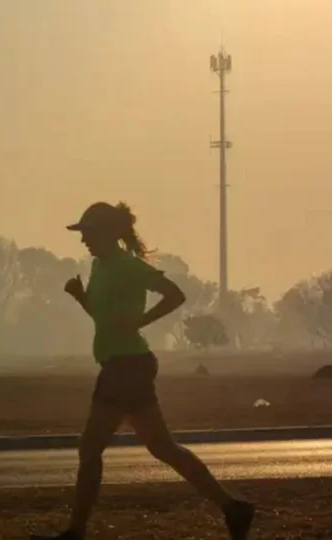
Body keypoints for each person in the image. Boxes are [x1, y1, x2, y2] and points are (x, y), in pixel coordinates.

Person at [30, 201, 255, 540]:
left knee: (91, 449)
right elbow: (103, 317)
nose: (83, 240)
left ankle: (75, 531)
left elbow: (175, 295)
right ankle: (232, 507)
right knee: (163, 448)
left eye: (88, 233)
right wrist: (80, 297)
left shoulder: (128, 267)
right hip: (122, 363)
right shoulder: (100, 267)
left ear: (108, 233)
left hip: (126, 366)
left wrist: (143, 320)